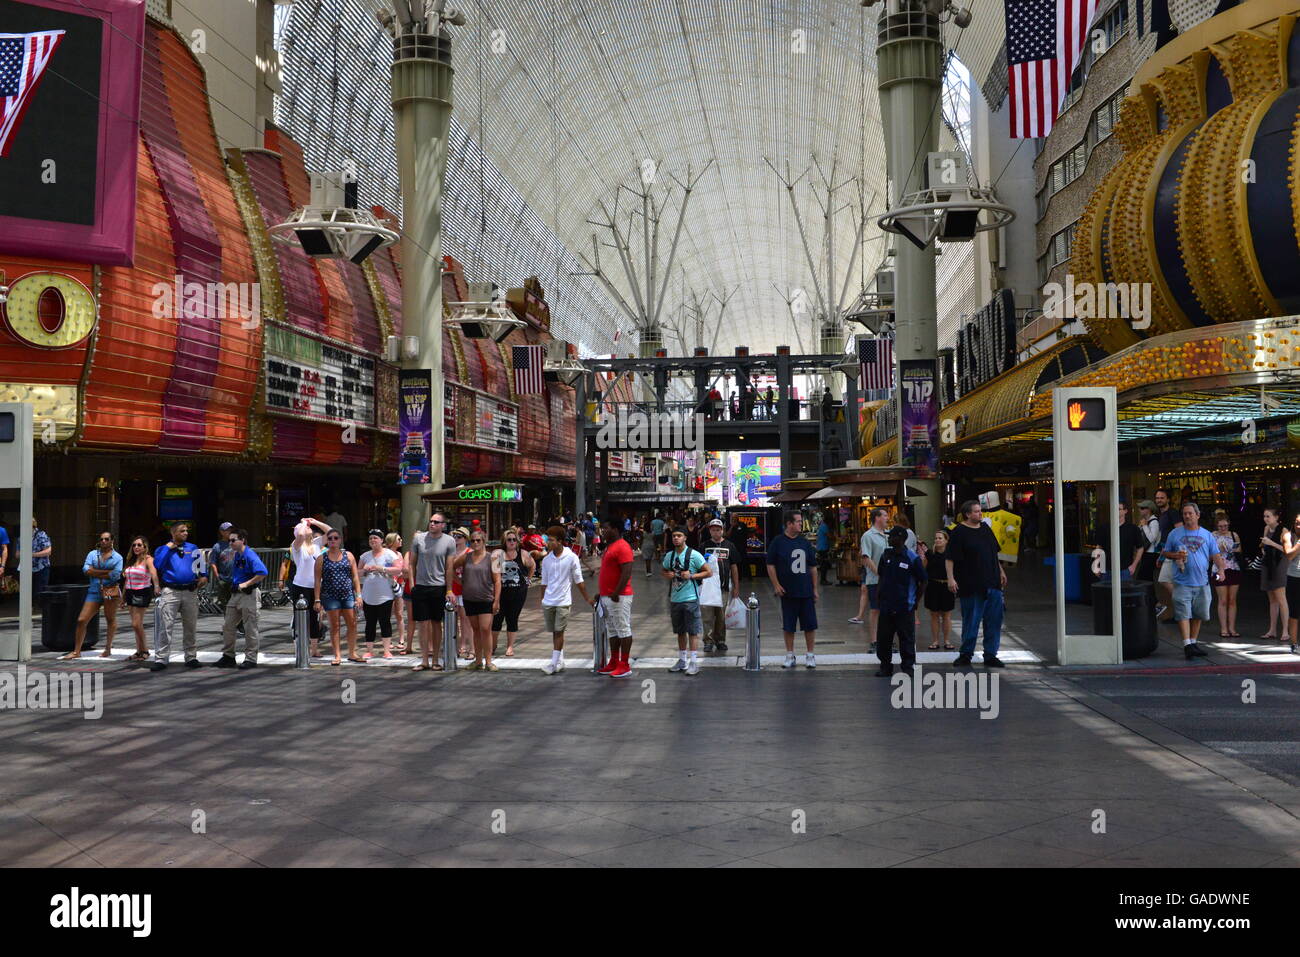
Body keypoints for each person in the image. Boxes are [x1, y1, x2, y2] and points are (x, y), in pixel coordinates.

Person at [945, 500, 1006, 668]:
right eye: (977, 512)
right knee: (971, 620)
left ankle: (991, 654)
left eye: (980, 511)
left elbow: (993, 553)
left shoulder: (985, 529)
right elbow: (950, 557)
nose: (981, 514)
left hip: (992, 582)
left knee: (994, 620)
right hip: (971, 584)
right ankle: (966, 654)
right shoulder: (959, 532)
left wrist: (1001, 571)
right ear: (968, 514)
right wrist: (951, 578)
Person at [1164, 502, 1225, 659]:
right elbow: (1165, 552)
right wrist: (1176, 556)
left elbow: (1216, 554)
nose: (1187, 516)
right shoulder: (1175, 533)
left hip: (1202, 582)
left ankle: (1193, 642)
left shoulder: (1207, 535)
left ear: (1197, 515)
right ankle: (1186, 644)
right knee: (1183, 614)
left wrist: (1222, 570)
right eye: (1185, 513)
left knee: (1199, 614)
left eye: (1190, 513)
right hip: (1182, 581)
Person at [149, 523, 206, 671]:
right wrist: (169, 547)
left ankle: (191, 657)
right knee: (165, 626)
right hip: (170, 591)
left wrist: (203, 576)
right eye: (182, 531)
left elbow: (201, 566)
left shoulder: (192, 548)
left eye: (187, 530)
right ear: (173, 533)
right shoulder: (162, 549)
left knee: (190, 626)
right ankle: (161, 658)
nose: (186, 533)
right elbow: (158, 564)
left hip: (190, 591)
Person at [766, 511, 818, 668]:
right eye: (797, 522)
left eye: (800, 521)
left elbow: (813, 567)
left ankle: (810, 655)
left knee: (809, 624)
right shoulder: (778, 542)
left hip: (805, 591)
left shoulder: (804, 543)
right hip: (787, 592)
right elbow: (770, 564)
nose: (800, 524)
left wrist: (815, 588)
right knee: (789, 625)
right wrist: (776, 584)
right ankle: (790, 654)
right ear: (789, 524)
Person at [60, 531, 123, 660]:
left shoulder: (118, 557)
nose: (103, 541)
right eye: (101, 539)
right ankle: (77, 651)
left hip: (110, 590)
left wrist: (94, 572)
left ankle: (108, 648)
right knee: (82, 619)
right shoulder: (92, 554)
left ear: (112, 541)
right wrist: (105, 572)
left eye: (106, 539)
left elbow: (116, 575)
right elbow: (86, 570)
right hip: (94, 590)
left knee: (110, 619)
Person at [539, 526, 594, 675]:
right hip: (549, 602)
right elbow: (544, 582)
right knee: (555, 633)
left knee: (559, 632)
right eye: (548, 539)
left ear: (560, 541)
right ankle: (560, 660)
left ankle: (554, 663)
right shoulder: (546, 560)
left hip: (563, 601)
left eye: (551, 540)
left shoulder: (571, 557)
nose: (548, 543)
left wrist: (587, 598)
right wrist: (543, 600)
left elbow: (579, 581)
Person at [407, 512, 458, 672]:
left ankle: (436, 659)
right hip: (421, 586)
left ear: (443, 525)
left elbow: (450, 567)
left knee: (437, 623)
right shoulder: (419, 539)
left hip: (438, 586)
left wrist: (449, 589)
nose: (432, 524)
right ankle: (424, 660)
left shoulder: (449, 541)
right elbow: (411, 564)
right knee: (423, 623)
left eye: (437, 522)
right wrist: (413, 585)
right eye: (431, 521)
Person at [874, 526, 927, 677]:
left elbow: (923, 581)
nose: (889, 539)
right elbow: (881, 577)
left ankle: (908, 668)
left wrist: (916, 601)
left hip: (904, 606)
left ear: (901, 538)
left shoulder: (912, 557)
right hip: (886, 605)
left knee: (906, 638)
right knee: (884, 638)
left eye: (891, 536)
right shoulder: (886, 555)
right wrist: (878, 596)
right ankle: (885, 666)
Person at [214, 528, 267, 669]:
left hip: (249, 595)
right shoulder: (237, 554)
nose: (230, 543)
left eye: (233, 540)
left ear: (242, 540)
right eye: (229, 540)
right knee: (228, 626)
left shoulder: (250, 555)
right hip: (236, 594)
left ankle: (250, 658)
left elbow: (262, 572)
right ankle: (228, 656)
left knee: (250, 628)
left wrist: (247, 584)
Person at [663, 526, 711, 675]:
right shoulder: (669, 555)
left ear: (685, 538)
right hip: (675, 599)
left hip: (690, 599)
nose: (675, 538)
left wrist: (692, 576)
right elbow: (664, 570)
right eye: (673, 536)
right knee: (680, 631)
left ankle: (694, 661)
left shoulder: (694, 555)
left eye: (679, 536)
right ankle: (682, 660)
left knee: (692, 631)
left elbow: (708, 572)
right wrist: (668, 575)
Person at [454, 529, 501, 671]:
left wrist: (496, 601)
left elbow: (498, 581)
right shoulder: (466, 557)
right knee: (476, 630)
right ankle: (478, 660)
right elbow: (450, 568)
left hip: (486, 598)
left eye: (478, 540)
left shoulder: (492, 558)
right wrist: (461, 581)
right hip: (470, 598)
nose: (475, 543)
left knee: (485, 629)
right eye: (473, 540)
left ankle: (489, 661)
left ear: (483, 541)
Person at [314, 528, 363, 666]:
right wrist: (317, 599)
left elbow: (355, 577)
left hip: (347, 595)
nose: (333, 541)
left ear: (340, 540)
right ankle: (337, 654)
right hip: (330, 596)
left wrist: (358, 595)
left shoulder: (349, 556)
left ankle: (352, 652)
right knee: (334, 626)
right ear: (327, 541)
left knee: (352, 624)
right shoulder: (321, 558)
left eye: (336, 538)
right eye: (330, 538)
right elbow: (317, 580)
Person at [596, 519, 636, 677]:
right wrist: (603, 593)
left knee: (623, 628)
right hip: (608, 596)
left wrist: (616, 592)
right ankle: (614, 661)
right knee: (612, 630)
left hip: (619, 597)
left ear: (614, 529)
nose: (602, 532)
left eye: (605, 528)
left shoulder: (622, 546)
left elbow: (626, 572)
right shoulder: (609, 547)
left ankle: (624, 664)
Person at [852, 507, 890, 655]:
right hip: (875, 580)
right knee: (875, 610)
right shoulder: (868, 535)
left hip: (889, 580)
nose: (888, 518)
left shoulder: (887, 535)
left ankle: (885, 639)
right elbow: (866, 557)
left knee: (886, 611)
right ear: (877, 518)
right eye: (885, 515)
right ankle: (874, 640)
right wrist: (879, 573)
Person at [290, 517, 330, 657]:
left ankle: (314, 649)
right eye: (305, 527)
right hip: (300, 586)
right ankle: (299, 648)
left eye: (308, 527)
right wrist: (302, 523)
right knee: (299, 616)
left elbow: (331, 532)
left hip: (316, 586)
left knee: (315, 617)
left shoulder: (316, 543)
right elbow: (300, 535)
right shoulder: (297, 545)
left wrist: (315, 522)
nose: (308, 528)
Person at [491, 529, 534, 657]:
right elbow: (494, 574)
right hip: (501, 592)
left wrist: (528, 579)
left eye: (514, 539)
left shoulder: (524, 554)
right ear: (505, 541)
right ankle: (493, 644)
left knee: (512, 619)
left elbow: (532, 565)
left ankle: (510, 647)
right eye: (509, 539)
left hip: (518, 593)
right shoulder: (497, 554)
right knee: (497, 619)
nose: (512, 542)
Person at [360, 530, 402, 659]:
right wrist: (364, 570)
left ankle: (386, 650)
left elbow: (398, 569)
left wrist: (381, 568)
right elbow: (356, 572)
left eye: (375, 538)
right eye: (371, 538)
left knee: (385, 622)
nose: (373, 540)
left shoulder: (389, 555)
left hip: (385, 595)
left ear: (382, 540)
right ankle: (369, 650)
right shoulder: (364, 556)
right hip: (368, 595)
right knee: (370, 623)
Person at [701, 518, 741, 653]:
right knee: (707, 615)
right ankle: (708, 640)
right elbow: (697, 565)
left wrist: (736, 587)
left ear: (722, 530)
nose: (716, 532)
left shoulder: (729, 545)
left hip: (723, 588)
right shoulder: (704, 546)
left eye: (718, 530)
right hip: (706, 589)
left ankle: (720, 640)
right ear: (710, 531)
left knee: (721, 615)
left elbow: (734, 567)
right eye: (713, 530)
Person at [1259, 508, 1293, 642]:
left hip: (1279, 564)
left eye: (1268, 516)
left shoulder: (1284, 531)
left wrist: (1271, 543)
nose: (1266, 519)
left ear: (1276, 517)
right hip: (1268, 563)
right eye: (1264, 516)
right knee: (1272, 599)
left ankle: (1285, 630)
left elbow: (1287, 551)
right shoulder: (1266, 528)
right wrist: (1263, 547)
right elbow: (1263, 544)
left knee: (1281, 598)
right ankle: (1272, 629)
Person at [923, 528, 955, 651]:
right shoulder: (930, 554)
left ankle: (947, 640)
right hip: (933, 586)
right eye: (936, 538)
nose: (937, 540)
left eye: (940, 538)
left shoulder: (951, 554)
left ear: (946, 541)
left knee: (946, 614)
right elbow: (923, 568)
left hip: (947, 586)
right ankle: (935, 640)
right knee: (934, 614)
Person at [1212, 516, 1242, 639]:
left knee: (1232, 600)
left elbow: (1239, 549)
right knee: (1223, 600)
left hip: (1233, 568)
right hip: (1218, 569)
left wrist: (1231, 549)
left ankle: (1232, 628)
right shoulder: (1212, 536)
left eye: (1225, 526)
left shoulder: (1234, 535)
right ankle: (1224, 628)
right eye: (1220, 526)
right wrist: (1218, 549)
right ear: (1216, 526)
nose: (1223, 528)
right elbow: (1208, 554)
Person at [1153, 488, 1179, 619]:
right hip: (1165, 551)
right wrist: (1161, 555)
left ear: (1168, 499)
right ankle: (1175, 613)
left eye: (1162, 498)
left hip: (1173, 552)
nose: (1159, 500)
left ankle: (1182, 601)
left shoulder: (1172, 513)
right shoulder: (1161, 515)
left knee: (1164, 580)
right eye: (1157, 498)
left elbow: (1179, 531)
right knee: (1167, 581)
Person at [385, 532, 412, 654]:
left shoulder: (400, 554)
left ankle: (401, 639)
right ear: (392, 541)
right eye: (398, 539)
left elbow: (402, 570)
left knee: (400, 614)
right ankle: (388, 639)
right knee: (388, 614)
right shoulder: (385, 554)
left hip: (399, 585)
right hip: (387, 585)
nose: (401, 541)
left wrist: (401, 574)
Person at [209, 521, 236, 612]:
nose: (229, 532)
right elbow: (213, 562)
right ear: (221, 532)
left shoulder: (237, 543)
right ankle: (230, 624)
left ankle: (240, 625)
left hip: (237, 579)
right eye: (226, 530)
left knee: (239, 604)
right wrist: (218, 577)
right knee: (227, 605)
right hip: (224, 579)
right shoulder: (217, 546)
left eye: (230, 530)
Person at [1136, 500, 1161, 582]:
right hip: (1146, 552)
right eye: (1140, 508)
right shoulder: (1145, 521)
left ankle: (1149, 594)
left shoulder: (1154, 522)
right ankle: (1150, 594)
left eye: (1142, 508)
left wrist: (1144, 526)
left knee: (1144, 578)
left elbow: (1152, 539)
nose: (1140, 510)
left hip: (1151, 554)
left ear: (1149, 510)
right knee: (1146, 578)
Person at [1286, 514, 1300, 654]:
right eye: (1296, 523)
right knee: (1294, 612)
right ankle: (1294, 643)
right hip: (1294, 577)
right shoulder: (1288, 536)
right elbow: (1289, 555)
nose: (1298, 526)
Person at [27, 517, 52, 593]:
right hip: (27, 569)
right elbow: (17, 554)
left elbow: (48, 551)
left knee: (40, 593)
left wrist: (31, 555)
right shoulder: (22, 536)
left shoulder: (41, 534)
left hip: (41, 569)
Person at [815, 514, 833, 586]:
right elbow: (829, 535)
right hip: (823, 548)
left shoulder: (822, 525)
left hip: (821, 547)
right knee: (824, 565)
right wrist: (835, 537)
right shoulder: (824, 526)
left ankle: (824, 580)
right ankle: (823, 580)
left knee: (824, 564)